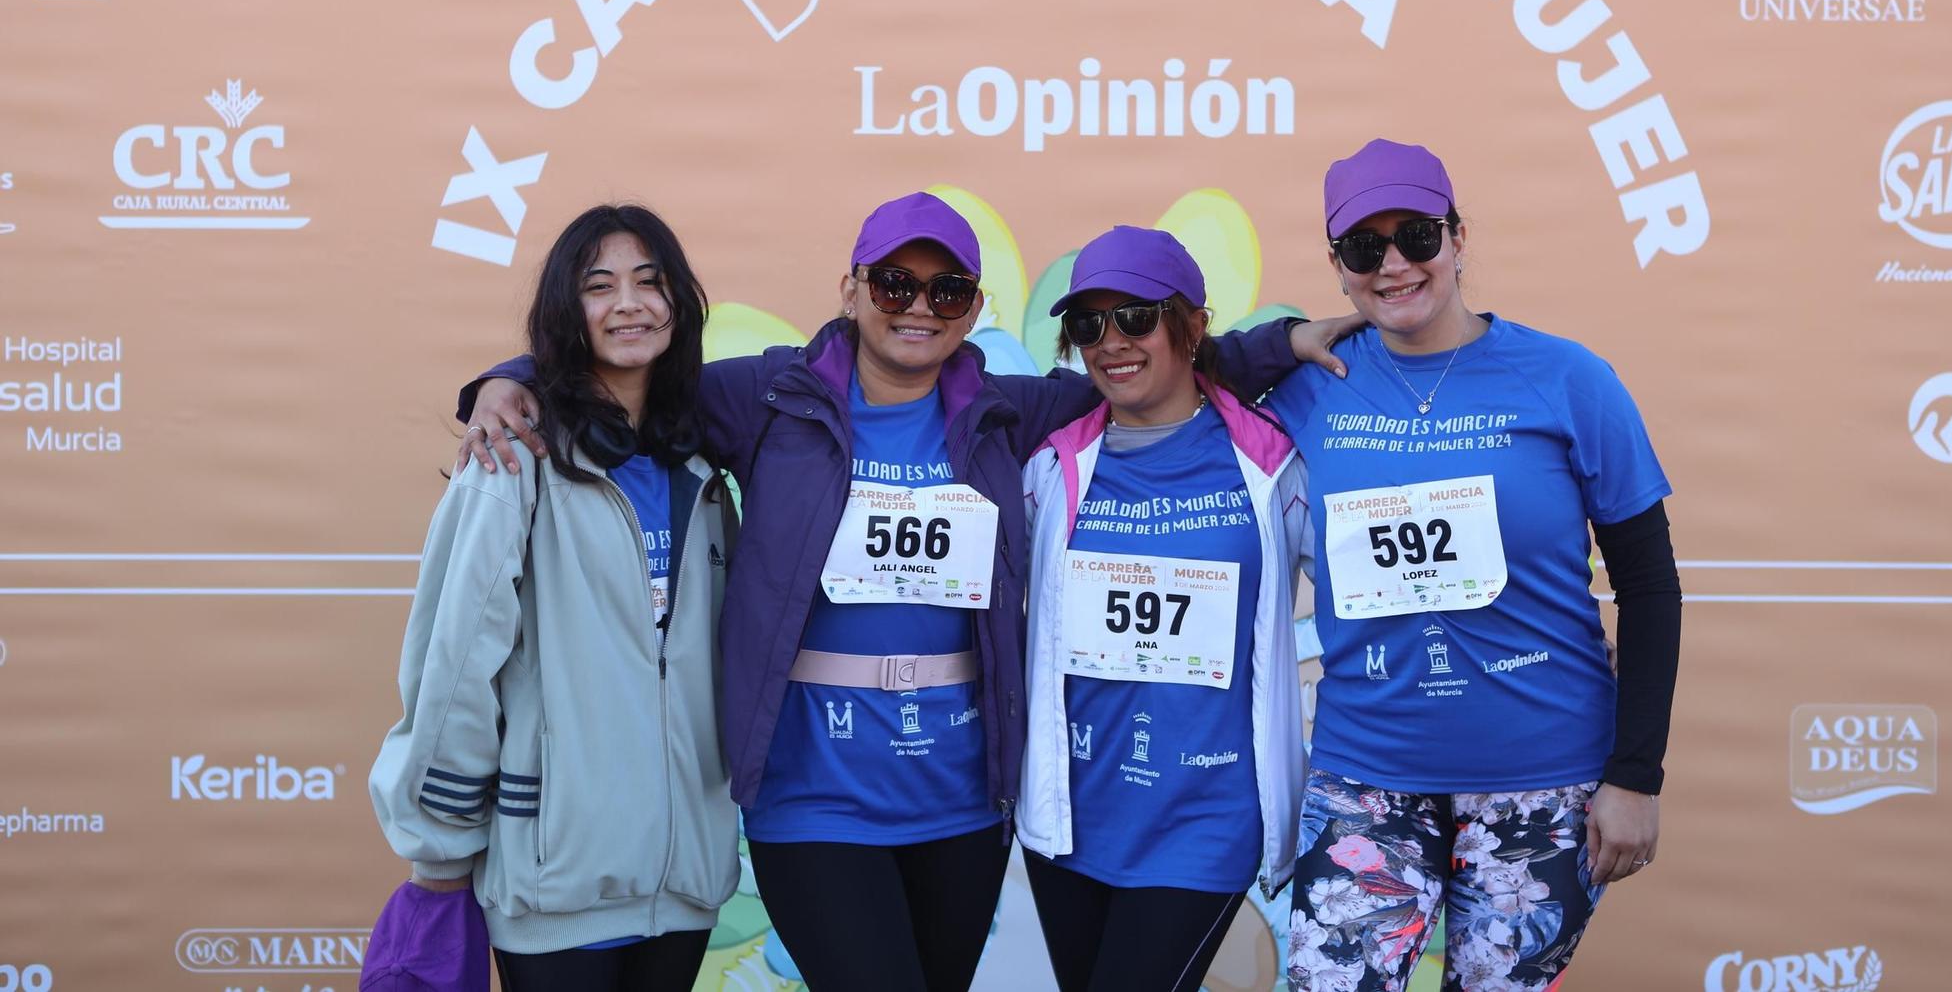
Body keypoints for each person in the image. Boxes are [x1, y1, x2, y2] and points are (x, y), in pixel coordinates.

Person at [455, 193, 1352, 992]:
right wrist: (514, 379)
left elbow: (1144, 367)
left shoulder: (1006, 411)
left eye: (946, 292)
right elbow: (632, 374)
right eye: (894, 285)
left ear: (972, 310)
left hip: (958, 805)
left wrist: (1272, 346)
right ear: (850, 290)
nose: (918, 308)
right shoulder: (768, 398)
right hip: (815, 796)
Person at [1266, 140, 1682, 992]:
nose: (1393, 264)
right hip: (1367, 775)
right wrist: (1277, 339)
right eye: (1363, 249)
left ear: (1457, 238)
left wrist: (1637, 774)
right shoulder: (1312, 386)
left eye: (1416, 235)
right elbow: (1170, 369)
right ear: (1338, 266)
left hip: (1543, 779)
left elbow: (1648, 582)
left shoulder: (1567, 380)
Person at [369, 204, 740, 992]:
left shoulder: (702, 469)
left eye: (650, 281)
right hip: (555, 878)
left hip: (683, 882)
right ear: (567, 314)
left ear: (679, 302)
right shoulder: (512, 461)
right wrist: (438, 848)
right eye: (599, 286)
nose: (629, 303)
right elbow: (457, 661)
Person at [1017, 227, 1316, 992]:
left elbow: (1372, 587)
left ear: (1190, 323)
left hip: (1204, 816)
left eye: (1135, 318)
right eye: (1088, 324)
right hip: (1072, 816)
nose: (1110, 342)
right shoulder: (1049, 464)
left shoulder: (1273, 460)